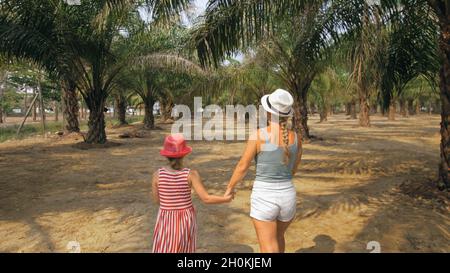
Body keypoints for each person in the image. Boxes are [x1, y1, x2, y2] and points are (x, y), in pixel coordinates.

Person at [225, 89, 303, 253]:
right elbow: (293, 169)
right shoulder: (296, 138)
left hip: (265, 196)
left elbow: (242, 166)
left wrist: (230, 188)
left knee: (268, 246)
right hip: (288, 195)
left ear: (268, 113)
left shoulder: (258, 135)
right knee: (279, 238)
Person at [152, 134, 234, 253]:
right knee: (184, 249)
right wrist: (225, 199)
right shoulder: (191, 174)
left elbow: (157, 201)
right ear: (185, 154)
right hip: (185, 219)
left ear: (166, 155)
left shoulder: (157, 175)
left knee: (165, 247)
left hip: (165, 218)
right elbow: (206, 198)